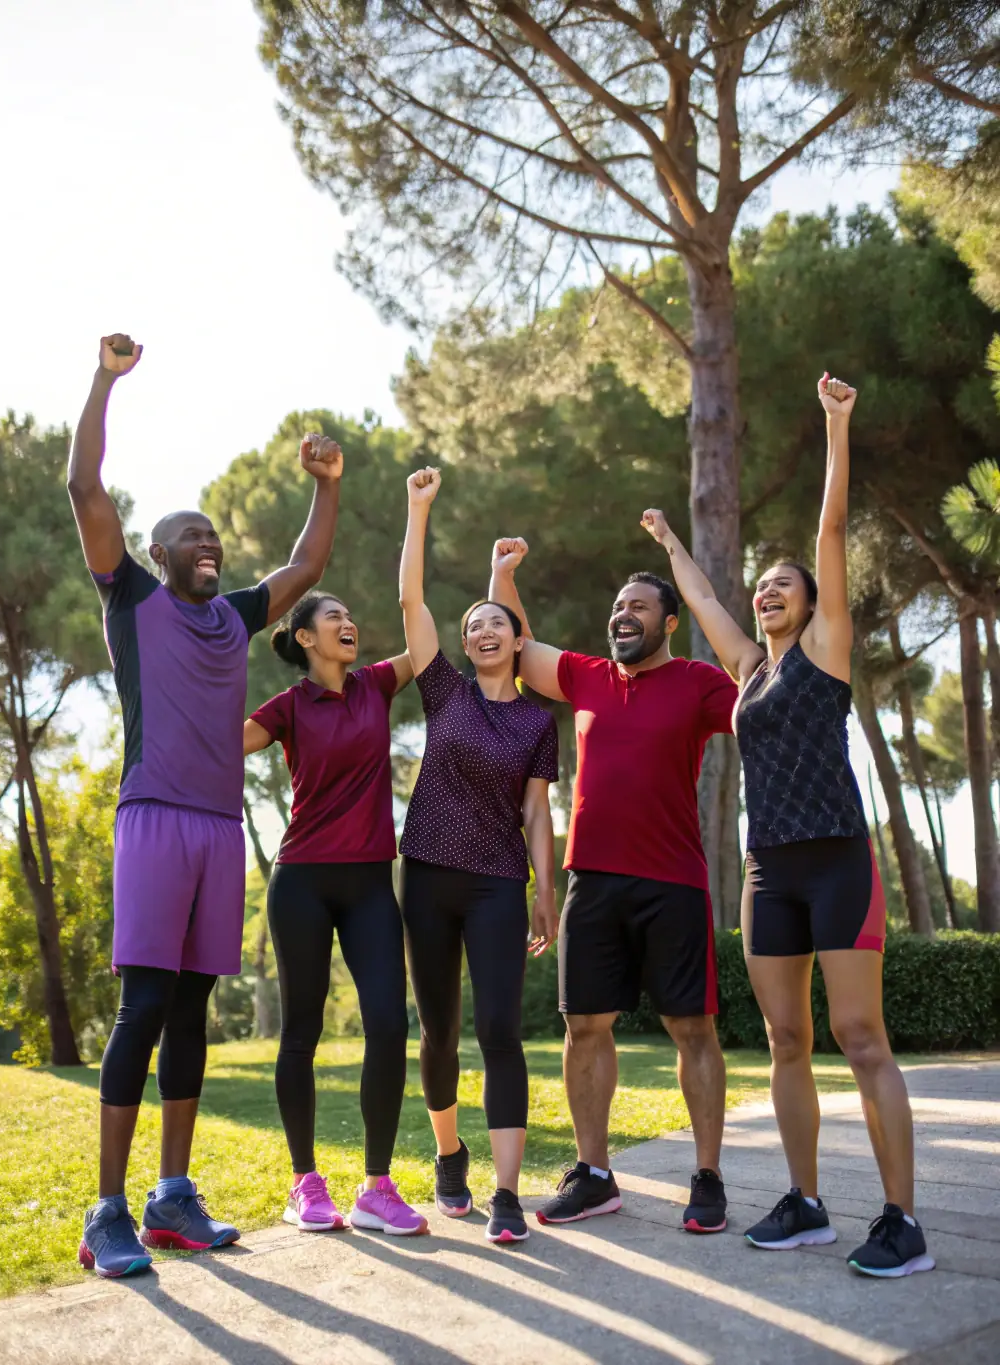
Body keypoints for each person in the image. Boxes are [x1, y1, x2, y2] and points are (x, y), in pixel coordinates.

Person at [642, 373, 934, 1278]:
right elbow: (702, 602)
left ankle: (902, 1221)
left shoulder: (827, 649)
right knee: (785, 1040)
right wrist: (667, 540)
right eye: (761, 587)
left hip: (839, 861)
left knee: (860, 1035)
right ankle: (806, 1202)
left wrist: (837, 426)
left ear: (812, 602)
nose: (768, 593)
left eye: (783, 585)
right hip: (768, 869)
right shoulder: (746, 673)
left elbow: (831, 532)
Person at [68, 334, 343, 1278]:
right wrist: (106, 379)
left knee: (191, 1011)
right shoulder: (131, 597)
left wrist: (327, 482)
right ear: (155, 551)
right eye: (190, 534)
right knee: (141, 1008)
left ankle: (172, 1197)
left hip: (221, 832)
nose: (207, 542)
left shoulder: (234, 613)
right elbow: (83, 487)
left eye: (213, 536)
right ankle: (104, 1207)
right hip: (153, 817)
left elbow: (306, 564)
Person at [489, 544, 738, 1233]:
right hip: (592, 880)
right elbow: (519, 645)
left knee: (693, 1027)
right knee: (583, 1025)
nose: (622, 615)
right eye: (617, 607)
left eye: (638, 606)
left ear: (669, 622)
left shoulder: (697, 681)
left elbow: (758, 699)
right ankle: (594, 1173)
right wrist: (503, 576)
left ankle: (708, 1174)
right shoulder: (589, 676)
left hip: (674, 880)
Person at [399, 467, 559, 1244]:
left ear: (518, 637)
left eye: (497, 622)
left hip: (499, 882)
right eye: (473, 625)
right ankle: (449, 1153)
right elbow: (410, 603)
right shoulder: (443, 694)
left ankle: (504, 1192)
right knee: (437, 1030)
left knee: (499, 1029)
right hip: (425, 873)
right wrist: (418, 510)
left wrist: (545, 889)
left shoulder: (537, 722)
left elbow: (536, 810)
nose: (483, 631)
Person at [244, 594, 427, 1236]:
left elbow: (425, 647)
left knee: (388, 1024)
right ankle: (305, 1183)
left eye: (353, 614)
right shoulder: (288, 706)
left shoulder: (375, 685)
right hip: (301, 883)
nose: (349, 623)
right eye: (333, 617)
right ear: (304, 638)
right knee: (301, 1031)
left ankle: (376, 1187)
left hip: (372, 884)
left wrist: (420, 519)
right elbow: (224, 744)